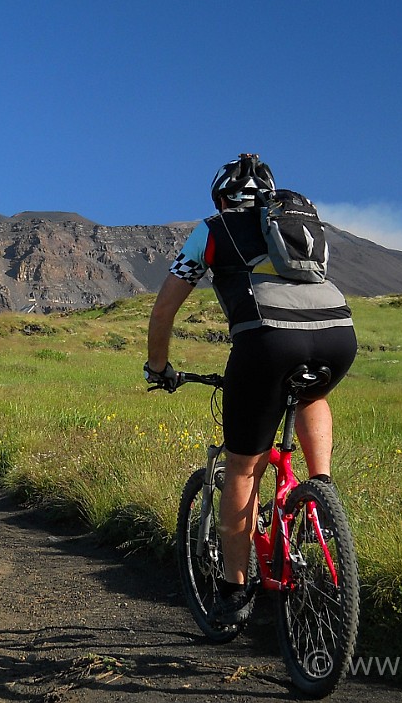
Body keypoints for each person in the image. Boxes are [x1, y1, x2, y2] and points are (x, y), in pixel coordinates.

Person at [145, 153, 357, 627]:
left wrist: (157, 367)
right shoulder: (299, 226)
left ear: (221, 197)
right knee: (311, 394)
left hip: (266, 341)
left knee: (243, 470)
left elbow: (162, 313)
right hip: (338, 336)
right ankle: (321, 492)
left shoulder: (211, 230)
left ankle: (235, 592)